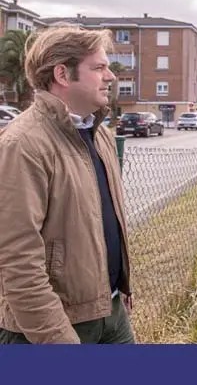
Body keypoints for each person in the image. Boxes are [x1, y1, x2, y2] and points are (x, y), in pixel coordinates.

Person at [0, 25, 134, 344]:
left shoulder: (98, 132)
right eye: (99, 67)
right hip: (52, 329)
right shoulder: (23, 144)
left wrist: (120, 289)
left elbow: (104, 222)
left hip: (111, 314)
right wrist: (57, 339)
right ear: (63, 74)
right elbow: (16, 258)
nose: (110, 76)